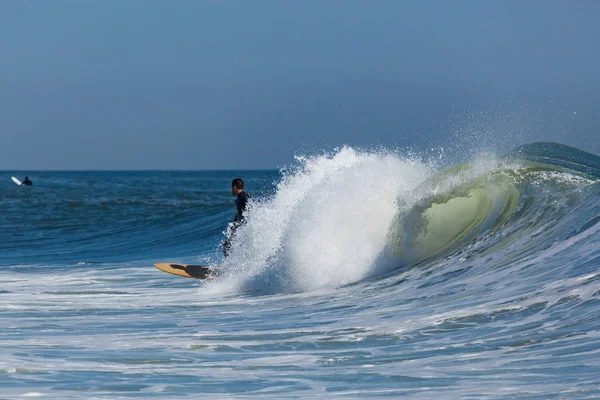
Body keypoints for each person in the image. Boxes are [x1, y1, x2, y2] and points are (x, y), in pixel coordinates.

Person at [223, 178, 251, 257]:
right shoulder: (239, 198)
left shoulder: (244, 197)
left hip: (244, 226)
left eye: (232, 188)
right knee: (227, 245)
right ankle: (230, 265)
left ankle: (229, 265)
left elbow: (249, 208)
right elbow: (238, 214)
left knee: (227, 245)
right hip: (239, 226)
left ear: (234, 187)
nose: (231, 190)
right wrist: (234, 225)